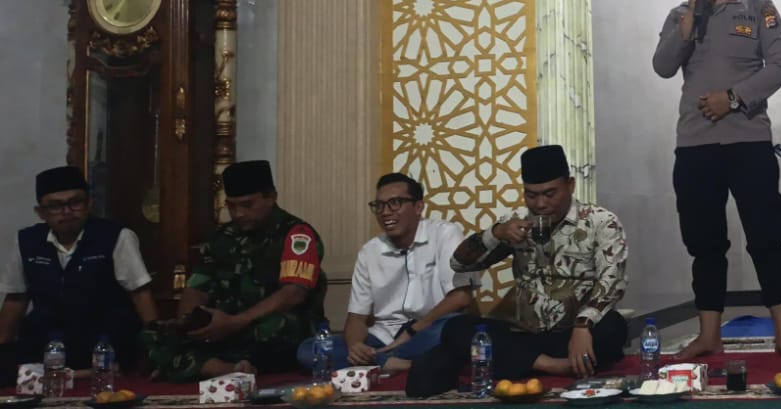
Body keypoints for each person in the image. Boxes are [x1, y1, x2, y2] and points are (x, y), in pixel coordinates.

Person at [651, 0, 781, 358]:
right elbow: (662, 66)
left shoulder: (758, 8)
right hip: (695, 145)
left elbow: (780, 67)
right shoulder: (681, 14)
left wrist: (732, 99)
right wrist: (687, 24)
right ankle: (709, 335)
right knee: (705, 243)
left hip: (748, 140)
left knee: (766, 236)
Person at [406, 146, 628, 397]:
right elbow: (461, 264)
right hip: (526, 336)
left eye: (550, 194)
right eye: (531, 195)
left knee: (614, 327)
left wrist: (583, 324)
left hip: (576, 334)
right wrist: (496, 234)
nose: (540, 204)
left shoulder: (600, 222)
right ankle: (553, 366)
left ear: (570, 185)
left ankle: (523, 363)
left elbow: (613, 280)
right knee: (457, 328)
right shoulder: (516, 221)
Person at [144, 160, 327, 381]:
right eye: (231, 206)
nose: (238, 213)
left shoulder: (297, 235)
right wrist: (190, 324)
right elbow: (196, 290)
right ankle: (225, 369)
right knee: (151, 334)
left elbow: (293, 293)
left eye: (247, 205)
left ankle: (187, 365)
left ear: (271, 197)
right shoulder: (221, 238)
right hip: (222, 328)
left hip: (260, 326)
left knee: (278, 326)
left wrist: (237, 322)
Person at [296, 173, 477, 372]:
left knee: (458, 328)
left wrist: (411, 332)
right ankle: (402, 364)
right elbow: (357, 318)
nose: (385, 212)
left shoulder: (445, 233)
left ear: (418, 207)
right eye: (379, 205)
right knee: (310, 349)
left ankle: (386, 362)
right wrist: (356, 347)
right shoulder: (369, 252)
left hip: (428, 330)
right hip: (383, 337)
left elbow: (461, 297)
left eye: (395, 203)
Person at [0, 167, 157, 386]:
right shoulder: (27, 241)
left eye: (75, 202)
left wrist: (155, 345)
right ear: (41, 212)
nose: (67, 211)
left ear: (89, 204)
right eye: (55, 206)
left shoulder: (116, 236)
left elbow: (140, 294)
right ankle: (67, 375)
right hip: (48, 344)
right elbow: (15, 300)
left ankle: (80, 375)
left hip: (104, 343)